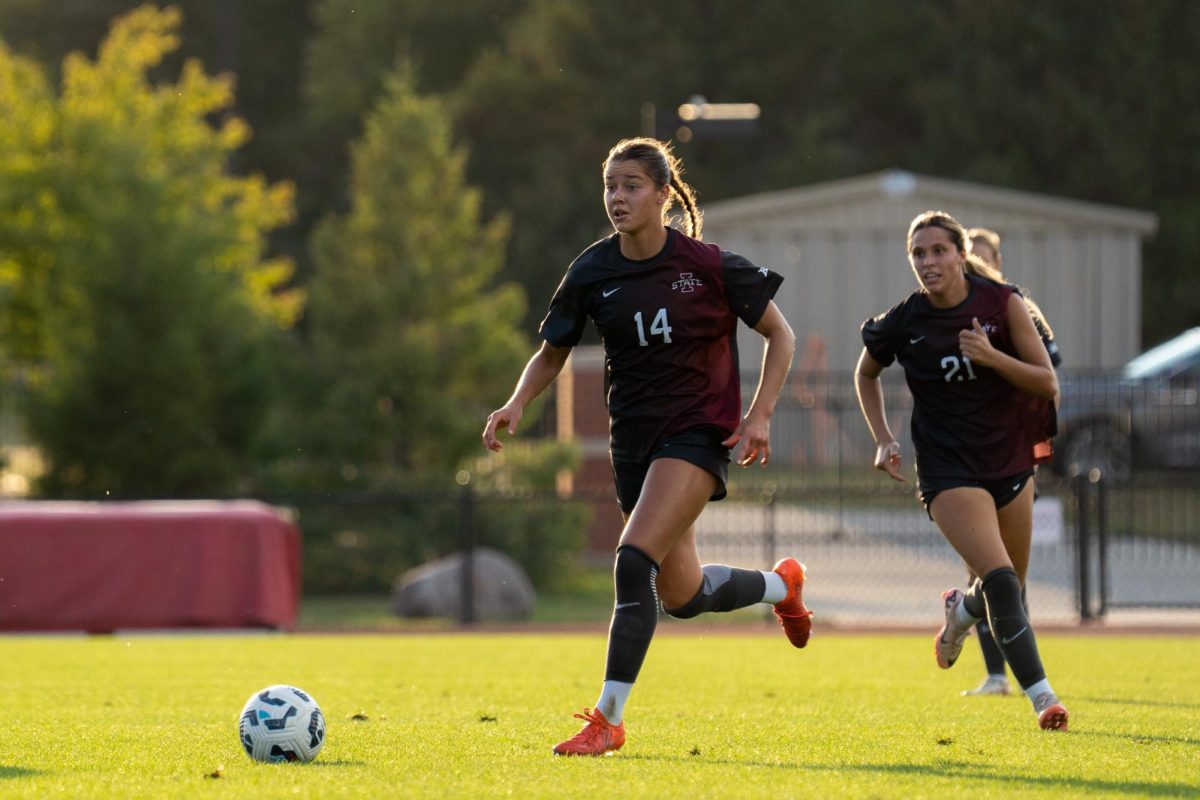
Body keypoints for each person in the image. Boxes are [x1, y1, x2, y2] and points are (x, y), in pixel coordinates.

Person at [482, 137, 810, 756]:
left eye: (632, 185)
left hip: (695, 436)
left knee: (632, 561)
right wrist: (518, 402)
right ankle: (780, 586)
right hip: (632, 446)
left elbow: (780, 334)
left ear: (664, 194)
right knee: (682, 596)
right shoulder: (593, 270)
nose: (618, 197)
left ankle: (608, 719)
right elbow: (552, 350)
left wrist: (761, 412)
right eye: (610, 185)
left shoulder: (708, 265)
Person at [854, 210, 1069, 731]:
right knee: (998, 580)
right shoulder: (906, 318)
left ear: (960, 254)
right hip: (948, 470)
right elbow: (866, 372)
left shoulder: (1003, 303)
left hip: (1010, 460)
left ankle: (960, 615)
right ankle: (1044, 699)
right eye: (918, 254)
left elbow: (1047, 384)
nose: (928, 262)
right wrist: (883, 438)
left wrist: (992, 358)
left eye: (938, 251)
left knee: (1008, 590)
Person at [957, 226, 1062, 698]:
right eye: (969, 257)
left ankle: (1018, 668)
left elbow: (1046, 373)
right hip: (965, 454)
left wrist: (996, 360)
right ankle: (998, 675)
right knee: (983, 569)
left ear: (996, 261)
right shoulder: (947, 313)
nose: (973, 265)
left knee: (1011, 576)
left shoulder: (1017, 309)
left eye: (981, 258)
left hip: (1014, 450)